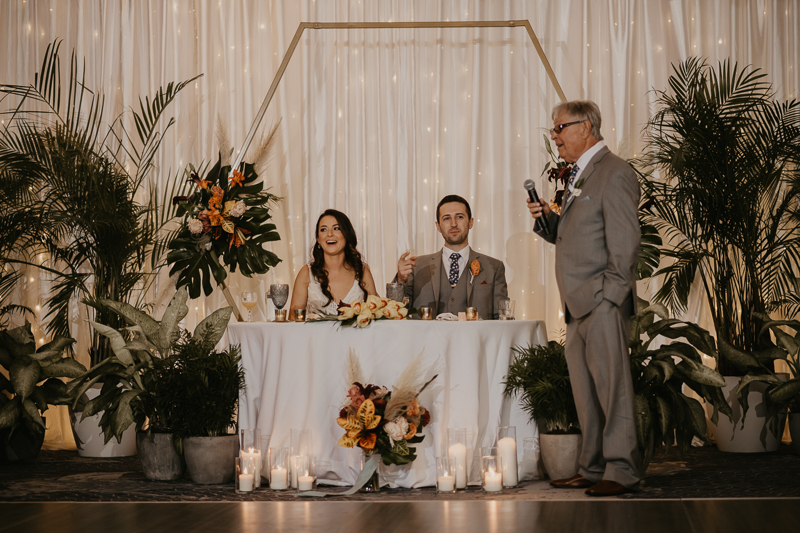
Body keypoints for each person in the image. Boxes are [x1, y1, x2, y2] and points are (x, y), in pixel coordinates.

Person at [527, 100, 641, 496]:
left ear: (586, 128)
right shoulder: (580, 174)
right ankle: (593, 468)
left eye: (560, 128)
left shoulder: (614, 172)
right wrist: (549, 223)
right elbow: (577, 236)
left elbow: (625, 244)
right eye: (554, 129)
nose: (554, 137)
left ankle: (622, 471)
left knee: (613, 389)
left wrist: (610, 298)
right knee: (586, 393)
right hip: (576, 305)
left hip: (600, 301)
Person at [396, 195, 508, 320]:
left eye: (459, 217)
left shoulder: (494, 267)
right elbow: (396, 312)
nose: (453, 224)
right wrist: (400, 281)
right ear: (438, 226)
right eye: (446, 218)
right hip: (427, 339)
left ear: (470, 222)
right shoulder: (416, 266)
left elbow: (502, 319)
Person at [289, 209, 378, 318]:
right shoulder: (306, 273)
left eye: (336, 228)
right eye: (323, 230)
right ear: (318, 239)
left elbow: (376, 313)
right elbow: (293, 318)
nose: (329, 234)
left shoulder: (362, 271)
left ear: (346, 235)